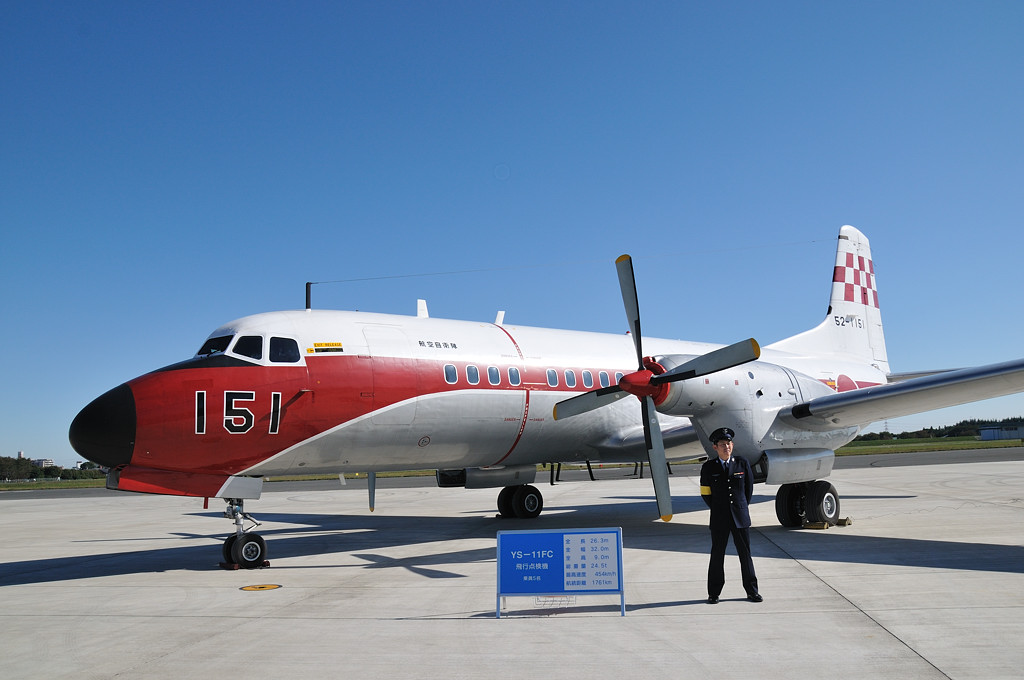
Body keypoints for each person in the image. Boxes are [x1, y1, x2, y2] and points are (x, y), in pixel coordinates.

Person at [699, 427, 762, 604]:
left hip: (740, 517)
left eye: (728, 444)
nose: (726, 447)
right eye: (722, 444)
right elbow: (706, 493)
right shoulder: (708, 467)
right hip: (719, 518)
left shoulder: (742, 463)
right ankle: (714, 593)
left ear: (732, 445)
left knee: (745, 554)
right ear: (715, 448)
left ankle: (752, 591)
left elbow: (748, 489)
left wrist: (740, 507)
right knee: (717, 555)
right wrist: (719, 508)